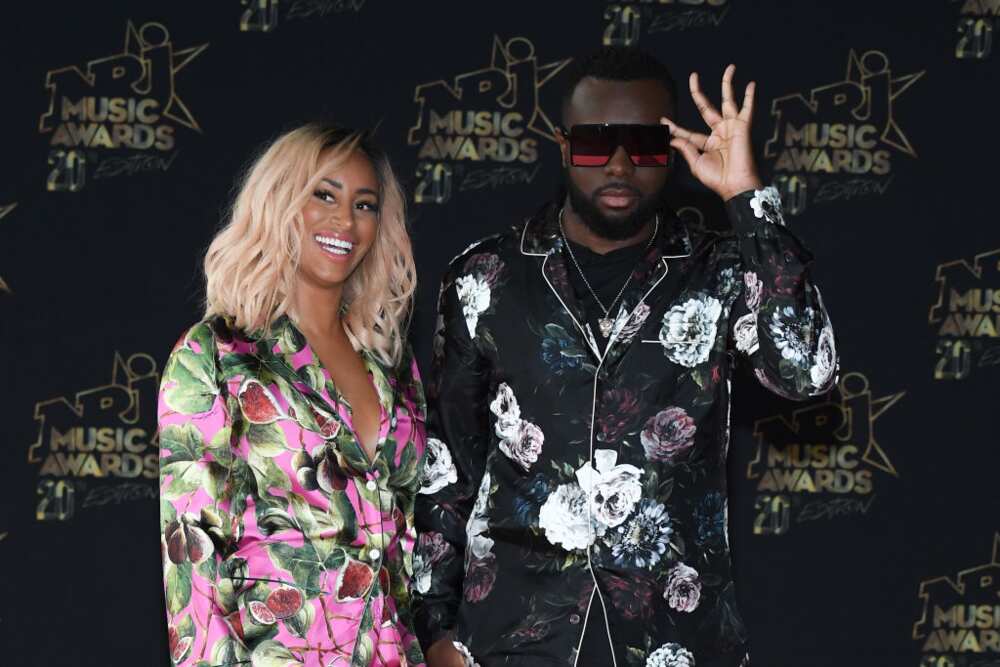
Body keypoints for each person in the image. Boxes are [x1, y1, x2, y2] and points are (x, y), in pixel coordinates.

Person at [413, 47, 837, 667]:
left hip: (674, 636)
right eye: (594, 144)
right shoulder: (485, 278)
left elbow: (807, 372)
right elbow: (446, 465)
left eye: (642, 145)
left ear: (669, 150)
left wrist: (747, 196)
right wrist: (435, 634)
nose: (618, 165)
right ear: (562, 146)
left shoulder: (721, 271)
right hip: (514, 637)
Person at [158, 123, 427, 667]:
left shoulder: (393, 369)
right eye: (323, 195)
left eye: (365, 205)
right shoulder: (214, 354)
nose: (345, 220)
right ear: (281, 203)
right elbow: (192, 558)